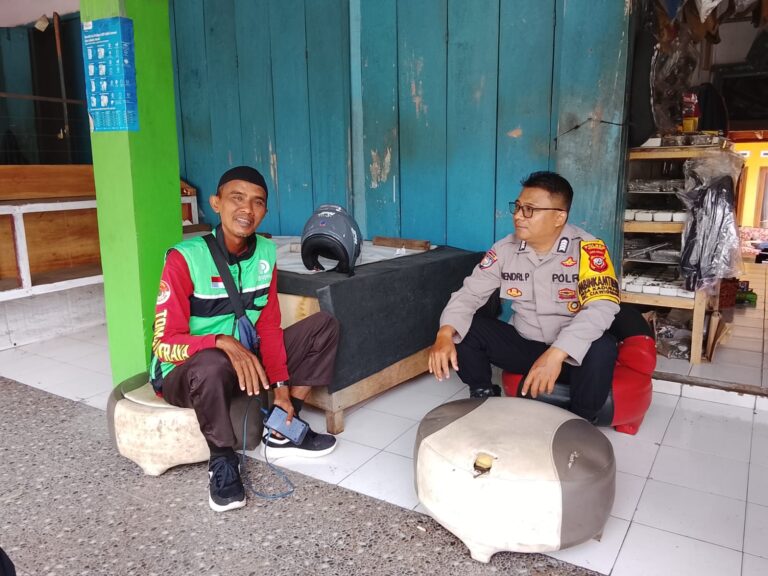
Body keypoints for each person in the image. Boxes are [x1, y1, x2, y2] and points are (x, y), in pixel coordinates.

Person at [149, 165, 340, 512]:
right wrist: (220, 341)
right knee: (211, 362)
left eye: (257, 202)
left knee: (324, 326)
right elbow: (163, 344)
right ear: (216, 203)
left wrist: (281, 389)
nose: (247, 209)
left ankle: (283, 427)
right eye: (237, 198)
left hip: (244, 358)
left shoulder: (266, 253)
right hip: (187, 372)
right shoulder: (184, 259)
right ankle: (222, 459)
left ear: (265, 211)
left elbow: (268, 328)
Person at [428, 171, 620, 422]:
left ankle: (580, 422)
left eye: (530, 209)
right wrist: (444, 333)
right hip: (525, 345)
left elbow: (602, 307)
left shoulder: (589, 249)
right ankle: (483, 395)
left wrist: (557, 353)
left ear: (559, 217)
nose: (518, 216)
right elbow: (470, 293)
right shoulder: (504, 249)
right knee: (464, 327)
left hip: (571, 355)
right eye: (517, 207)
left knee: (602, 346)